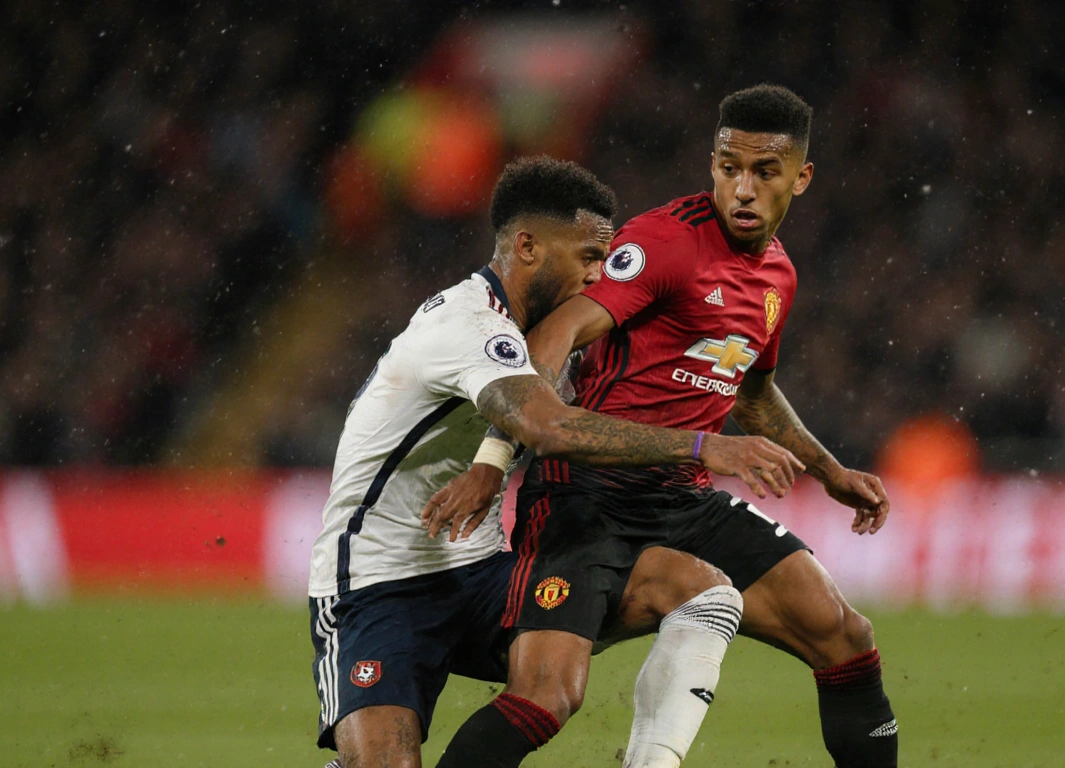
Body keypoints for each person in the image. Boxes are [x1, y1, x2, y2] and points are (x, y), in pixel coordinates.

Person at [431, 85, 898, 767]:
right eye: (726, 166)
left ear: (800, 178)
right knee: (546, 696)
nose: (740, 188)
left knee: (843, 634)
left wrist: (830, 472)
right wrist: (496, 454)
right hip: (582, 493)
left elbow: (752, 391)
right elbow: (552, 338)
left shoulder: (777, 278)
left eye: (763, 173)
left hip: (680, 495)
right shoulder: (664, 242)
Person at [307, 155, 805, 768]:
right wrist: (706, 446)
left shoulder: (540, 335)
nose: (602, 277)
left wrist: (491, 464)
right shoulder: (467, 327)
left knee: (699, 593)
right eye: (589, 258)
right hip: (376, 586)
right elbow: (549, 426)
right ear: (528, 247)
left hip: (479, 574)